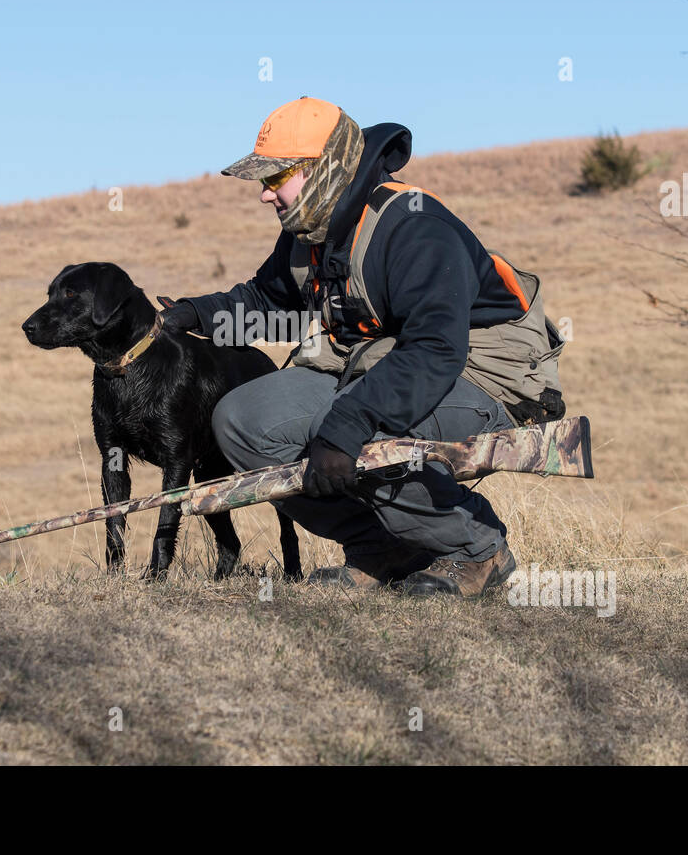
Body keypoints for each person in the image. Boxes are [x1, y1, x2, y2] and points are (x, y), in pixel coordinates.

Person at [159, 97, 566, 596]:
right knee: (241, 421)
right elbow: (269, 299)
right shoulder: (311, 230)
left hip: (479, 382)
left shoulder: (416, 227)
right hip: (375, 375)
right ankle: (383, 548)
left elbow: (436, 350)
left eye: (273, 178)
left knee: (362, 428)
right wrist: (194, 314)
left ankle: (475, 548)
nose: (265, 196)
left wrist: (347, 425)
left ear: (323, 168)